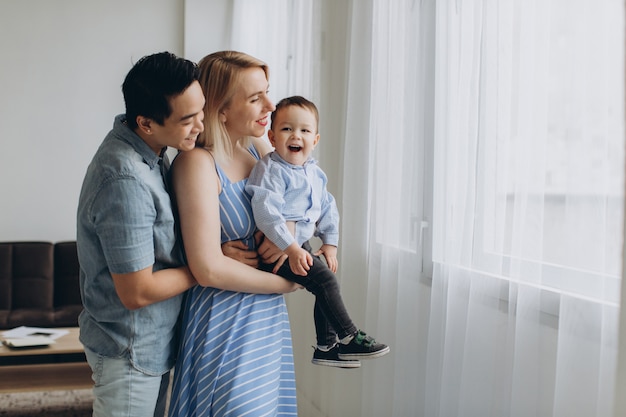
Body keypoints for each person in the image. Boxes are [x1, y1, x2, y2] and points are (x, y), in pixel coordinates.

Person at [167, 51, 301, 417]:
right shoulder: (197, 163)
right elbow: (208, 268)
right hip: (224, 318)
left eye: (267, 93)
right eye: (255, 98)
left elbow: (305, 202)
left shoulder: (260, 152)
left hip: (266, 319)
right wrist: (288, 284)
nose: (271, 106)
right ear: (221, 109)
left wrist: (287, 233)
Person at [76, 52, 204, 417]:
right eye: (187, 119)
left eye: (201, 111)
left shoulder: (153, 148)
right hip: (129, 350)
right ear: (145, 123)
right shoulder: (125, 178)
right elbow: (137, 291)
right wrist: (209, 265)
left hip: (152, 341)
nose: (200, 125)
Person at [246, 95, 390, 368]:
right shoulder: (271, 169)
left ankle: (326, 345)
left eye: (304, 130)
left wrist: (330, 243)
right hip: (277, 251)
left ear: (315, 139)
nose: (295, 136)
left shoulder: (314, 172)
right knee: (325, 283)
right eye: (287, 129)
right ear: (272, 136)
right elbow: (267, 213)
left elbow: (327, 206)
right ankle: (348, 336)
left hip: (301, 246)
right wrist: (290, 248)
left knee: (323, 285)